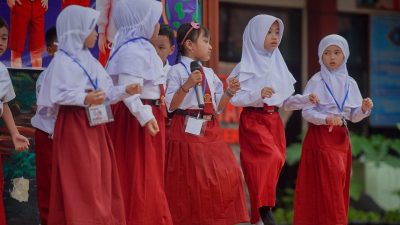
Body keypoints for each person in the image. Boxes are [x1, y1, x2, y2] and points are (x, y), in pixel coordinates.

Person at [36, 6, 141, 224]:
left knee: (99, 175)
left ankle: (100, 218)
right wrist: (84, 99)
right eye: (92, 29)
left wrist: (124, 90)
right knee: (80, 177)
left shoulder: (90, 61)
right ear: (78, 30)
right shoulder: (62, 61)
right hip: (75, 124)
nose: (95, 34)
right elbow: (57, 93)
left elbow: (106, 92)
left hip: (95, 125)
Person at [229, 15, 319, 225]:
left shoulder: (279, 65)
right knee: (267, 159)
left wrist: (306, 100)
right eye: (268, 32)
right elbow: (234, 98)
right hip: (253, 120)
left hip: (274, 120)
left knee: (276, 160)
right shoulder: (243, 67)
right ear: (256, 34)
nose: (274, 37)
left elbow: (285, 102)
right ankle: (264, 210)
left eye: (277, 32)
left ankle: (260, 213)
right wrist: (258, 95)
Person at [164, 21, 249, 225]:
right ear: (189, 45)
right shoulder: (176, 71)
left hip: (210, 129)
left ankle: (217, 219)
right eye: (205, 41)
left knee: (228, 174)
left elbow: (218, 106)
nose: (211, 46)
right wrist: (187, 85)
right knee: (193, 182)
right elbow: (170, 106)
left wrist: (229, 92)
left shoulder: (209, 74)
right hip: (186, 127)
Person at [293, 34, 373, 225]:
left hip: (341, 139)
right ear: (321, 56)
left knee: (338, 186)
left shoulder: (350, 82)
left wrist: (363, 108)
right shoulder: (317, 80)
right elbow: (306, 112)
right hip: (321, 138)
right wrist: (326, 118)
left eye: (337, 52)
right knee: (325, 188)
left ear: (345, 55)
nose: (332, 57)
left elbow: (353, 116)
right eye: (327, 53)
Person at [106, 1, 173, 224]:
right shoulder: (131, 50)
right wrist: (144, 116)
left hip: (151, 114)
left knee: (151, 176)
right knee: (139, 176)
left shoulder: (142, 48)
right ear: (140, 21)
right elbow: (129, 91)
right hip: (137, 120)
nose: (156, 25)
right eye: (153, 20)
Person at [0, 16, 30, 225]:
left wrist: (14, 133)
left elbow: (5, 105)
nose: (0, 43)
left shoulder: (2, 70)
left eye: (3, 38)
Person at [31, 26, 57, 225]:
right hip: (49, 135)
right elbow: (47, 110)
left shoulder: (83, 71)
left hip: (70, 138)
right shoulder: (45, 77)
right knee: (48, 186)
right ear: (50, 49)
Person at [7, 0, 48, 68]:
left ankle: (36, 77)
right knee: (16, 48)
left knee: (37, 49)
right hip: (20, 4)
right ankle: (17, 77)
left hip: (38, 4)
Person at [96, 0, 117, 66]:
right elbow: (102, 4)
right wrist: (101, 32)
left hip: (136, 42)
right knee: (103, 73)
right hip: (111, 40)